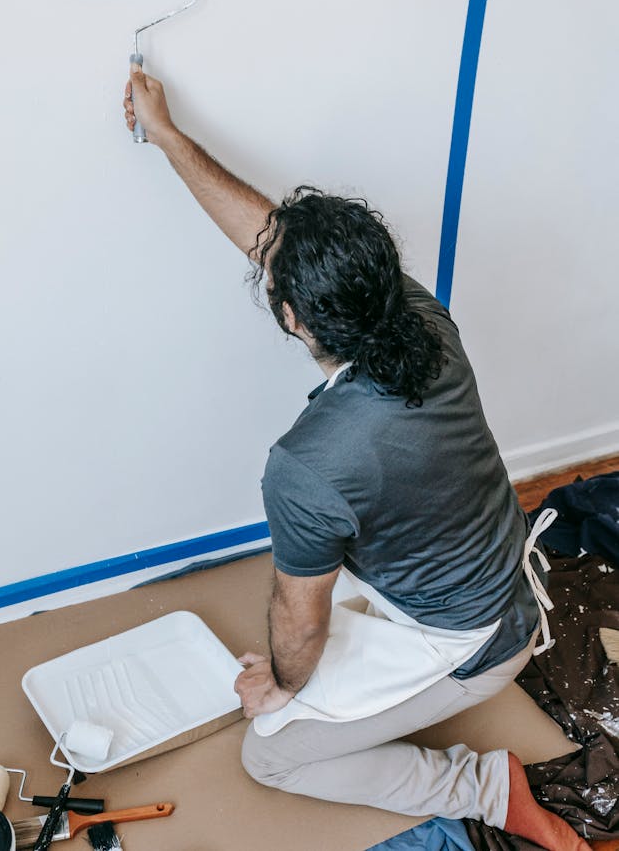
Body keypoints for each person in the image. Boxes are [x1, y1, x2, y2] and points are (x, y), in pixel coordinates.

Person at [123, 65, 591, 851]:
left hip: (473, 641)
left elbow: (297, 634)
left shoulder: (307, 468)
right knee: (306, 626)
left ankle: (480, 786)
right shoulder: (417, 316)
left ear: (291, 317)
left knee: (270, 752)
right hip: (483, 574)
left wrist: (278, 687)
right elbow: (270, 236)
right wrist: (168, 136)